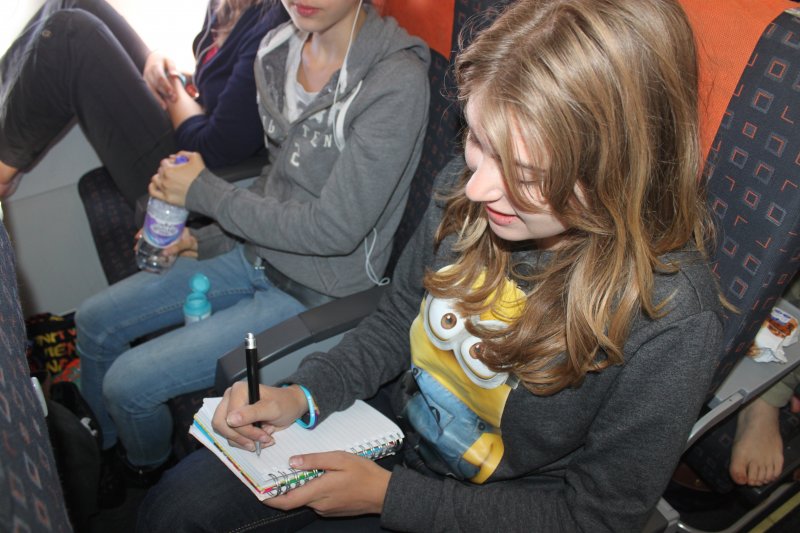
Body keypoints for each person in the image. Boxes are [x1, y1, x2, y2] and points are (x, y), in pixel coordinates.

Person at [137, 0, 725, 531]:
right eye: (477, 139)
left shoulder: (669, 318)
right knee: (176, 508)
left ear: (618, 169)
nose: (477, 186)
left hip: (496, 507)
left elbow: (596, 517)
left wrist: (389, 498)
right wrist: (305, 393)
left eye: (524, 175)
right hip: (392, 432)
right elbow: (398, 319)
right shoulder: (467, 193)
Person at [75, 0, 430, 482]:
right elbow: (275, 179)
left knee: (126, 385)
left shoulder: (394, 82)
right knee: (92, 321)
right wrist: (207, 242)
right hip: (255, 253)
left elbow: (335, 229)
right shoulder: (277, 50)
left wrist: (204, 192)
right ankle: (94, 443)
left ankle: (138, 472)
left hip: (319, 293)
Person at [0, 0, 288, 205]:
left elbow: (212, 151)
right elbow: (221, 85)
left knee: (71, 34)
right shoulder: (231, 4)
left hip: (197, 179)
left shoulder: (274, 28)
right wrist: (157, 62)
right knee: (74, 3)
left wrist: (172, 84)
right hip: (194, 124)